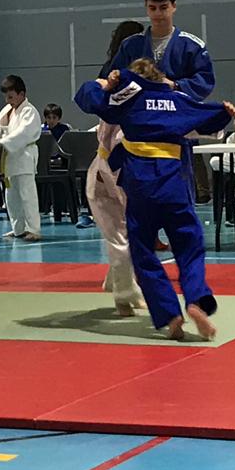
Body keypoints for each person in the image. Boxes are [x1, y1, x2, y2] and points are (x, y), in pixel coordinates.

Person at [74, 60, 235, 341]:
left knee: (143, 252)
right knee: (189, 245)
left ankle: (169, 314)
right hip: (173, 184)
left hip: (139, 185)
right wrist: (225, 112)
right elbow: (209, 118)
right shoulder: (176, 99)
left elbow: (88, 98)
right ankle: (196, 300)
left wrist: (105, 85)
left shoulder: (128, 98)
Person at [89, 20, 147, 315]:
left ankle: (117, 280)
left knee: (123, 227)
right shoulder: (118, 87)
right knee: (123, 230)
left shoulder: (115, 83)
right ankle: (124, 293)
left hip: (113, 162)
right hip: (113, 163)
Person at [105, 0, 215, 100]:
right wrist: (114, 80)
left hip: (178, 108)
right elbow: (112, 81)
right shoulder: (130, 45)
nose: (158, 13)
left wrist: (175, 85)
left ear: (174, 6)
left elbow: (205, 81)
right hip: (140, 109)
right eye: (152, 8)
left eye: (163, 8)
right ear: (146, 8)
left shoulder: (192, 46)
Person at [0, 74, 42, 242]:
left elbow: (23, 133)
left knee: (27, 195)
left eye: (10, 96)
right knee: (11, 197)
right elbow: (3, 130)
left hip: (25, 155)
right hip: (11, 158)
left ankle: (33, 229)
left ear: (21, 94)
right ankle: (18, 229)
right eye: (6, 96)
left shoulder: (29, 111)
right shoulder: (9, 111)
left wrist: (2, 143)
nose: (7, 100)